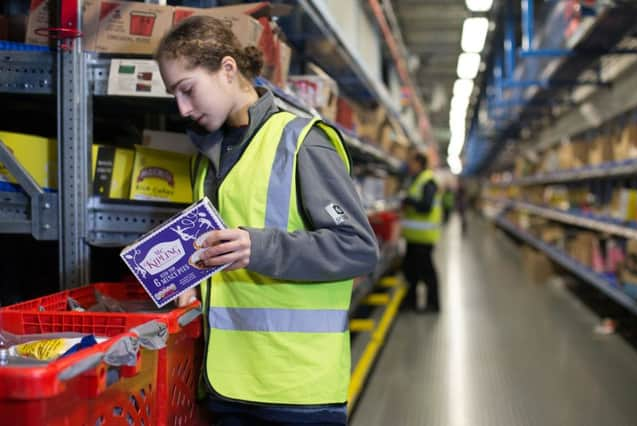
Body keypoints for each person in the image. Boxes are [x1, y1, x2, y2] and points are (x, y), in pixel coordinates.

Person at [155, 16, 378, 426]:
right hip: (228, 386)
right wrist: (192, 286)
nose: (182, 109)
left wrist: (259, 247)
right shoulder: (208, 160)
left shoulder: (302, 142)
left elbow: (359, 248)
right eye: (174, 95)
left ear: (227, 69)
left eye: (187, 90)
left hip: (296, 393)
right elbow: (217, 255)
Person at [401, 153, 442, 312]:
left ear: (419, 163)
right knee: (411, 271)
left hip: (424, 237)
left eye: (411, 162)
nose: (409, 165)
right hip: (414, 237)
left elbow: (426, 206)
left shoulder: (428, 181)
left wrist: (409, 201)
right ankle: (411, 302)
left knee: (426, 272)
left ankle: (433, 304)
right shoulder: (417, 180)